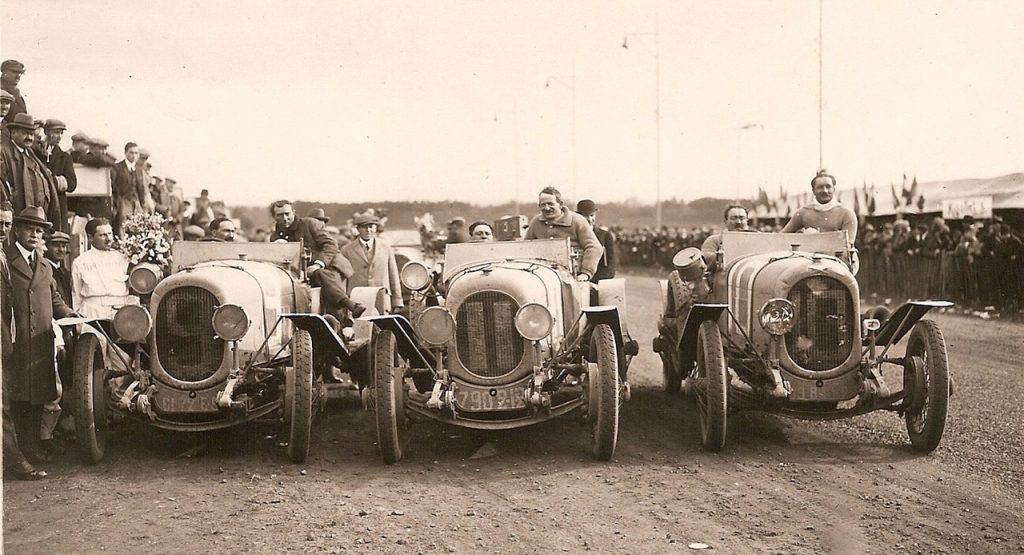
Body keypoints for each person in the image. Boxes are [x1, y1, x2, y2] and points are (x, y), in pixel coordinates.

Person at [4, 206, 74, 469]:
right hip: (18, 342)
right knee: (18, 400)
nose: (34, 235)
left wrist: (69, 313)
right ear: (17, 231)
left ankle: (31, 450)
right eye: (29, 229)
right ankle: (18, 454)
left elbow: (53, 298)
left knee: (37, 399)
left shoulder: (44, 265)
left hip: (40, 343)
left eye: (39, 230)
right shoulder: (6, 260)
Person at [0, 203, 47, 479]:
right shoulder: (7, 256)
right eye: (2, 224)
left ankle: (17, 458)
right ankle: (15, 462)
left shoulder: (5, 258)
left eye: (5, 224)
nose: (2, 229)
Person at [270, 200, 365, 318]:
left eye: (287, 214)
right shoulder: (275, 237)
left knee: (322, 276)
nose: (285, 218)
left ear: (293, 212)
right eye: (280, 215)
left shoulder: (309, 224)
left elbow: (330, 245)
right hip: (302, 273)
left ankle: (345, 317)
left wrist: (318, 264)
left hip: (330, 265)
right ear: (274, 217)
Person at [0, 113, 64, 230]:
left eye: (31, 134)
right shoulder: (3, 153)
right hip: (18, 219)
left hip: (39, 220)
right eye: (25, 133)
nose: (29, 137)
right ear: (13, 132)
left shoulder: (32, 154)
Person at [524, 186, 602, 282]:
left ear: (560, 204)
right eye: (543, 205)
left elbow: (594, 247)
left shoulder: (577, 221)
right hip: (542, 275)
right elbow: (525, 248)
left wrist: (585, 273)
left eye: (550, 204)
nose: (547, 208)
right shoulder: (536, 222)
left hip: (572, 276)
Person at [71, 218, 138, 319]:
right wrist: (79, 321)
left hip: (120, 312)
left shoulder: (123, 258)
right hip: (92, 313)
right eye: (103, 235)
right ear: (90, 238)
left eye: (110, 233)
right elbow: (76, 296)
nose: (109, 239)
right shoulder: (80, 262)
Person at [340, 212, 404, 311]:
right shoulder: (346, 250)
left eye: (371, 226)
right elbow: (343, 279)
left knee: (383, 325)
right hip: (357, 300)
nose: (368, 230)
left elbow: (393, 274)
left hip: (381, 298)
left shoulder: (386, 247)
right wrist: (345, 303)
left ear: (375, 228)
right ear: (358, 229)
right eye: (364, 227)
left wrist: (397, 301)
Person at [781, 170, 858, 243]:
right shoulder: (802, 212)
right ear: (813, 191)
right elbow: (781, 237)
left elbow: (848, 246)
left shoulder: (847, 213)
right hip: (809, 255)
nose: (825, 190)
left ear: (834, 189)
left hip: (839, 256)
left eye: (828, 187)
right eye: (820, 187)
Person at [42, 119, 77, 229]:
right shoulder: (36, 153)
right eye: (56, 132)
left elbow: (72, 184)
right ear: (46, 132)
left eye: (61, 133)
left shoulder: (64, 157)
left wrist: (53, 181)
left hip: (58, 205)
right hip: (40, 204)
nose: (59, 136)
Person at [701, 204, 754, 272]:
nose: (738, 222)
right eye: (733, 218)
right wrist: (721, 256)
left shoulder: (758, 238)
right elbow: (705, 257)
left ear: (747, 221)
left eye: (742, 218)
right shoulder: (714, 240)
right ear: (725, 221)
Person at [111, 142, 150, 231]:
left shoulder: (139, 170)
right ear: (125, 153)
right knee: (122, 227)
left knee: (137, 227)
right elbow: (113, 187)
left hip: (136, 203)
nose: (134, 156)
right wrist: (115, 204)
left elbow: (142, 190)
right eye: (131, 152)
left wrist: (143, 206)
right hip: (122, 202)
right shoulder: (117, 167)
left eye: (136, 153)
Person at [576, 199, 617, 282]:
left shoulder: (605, 235)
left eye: (592, 215)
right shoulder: (574, 235)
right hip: (577, 280)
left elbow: (610, 262)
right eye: (586, 216)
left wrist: (600, 283)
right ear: (578, 217)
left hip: (598, 281)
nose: (590, 219)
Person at [1, 60, 27, 125]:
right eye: (14, 72)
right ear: (4, 73)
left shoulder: (16, 92)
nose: (18, 76)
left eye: (20, 73)